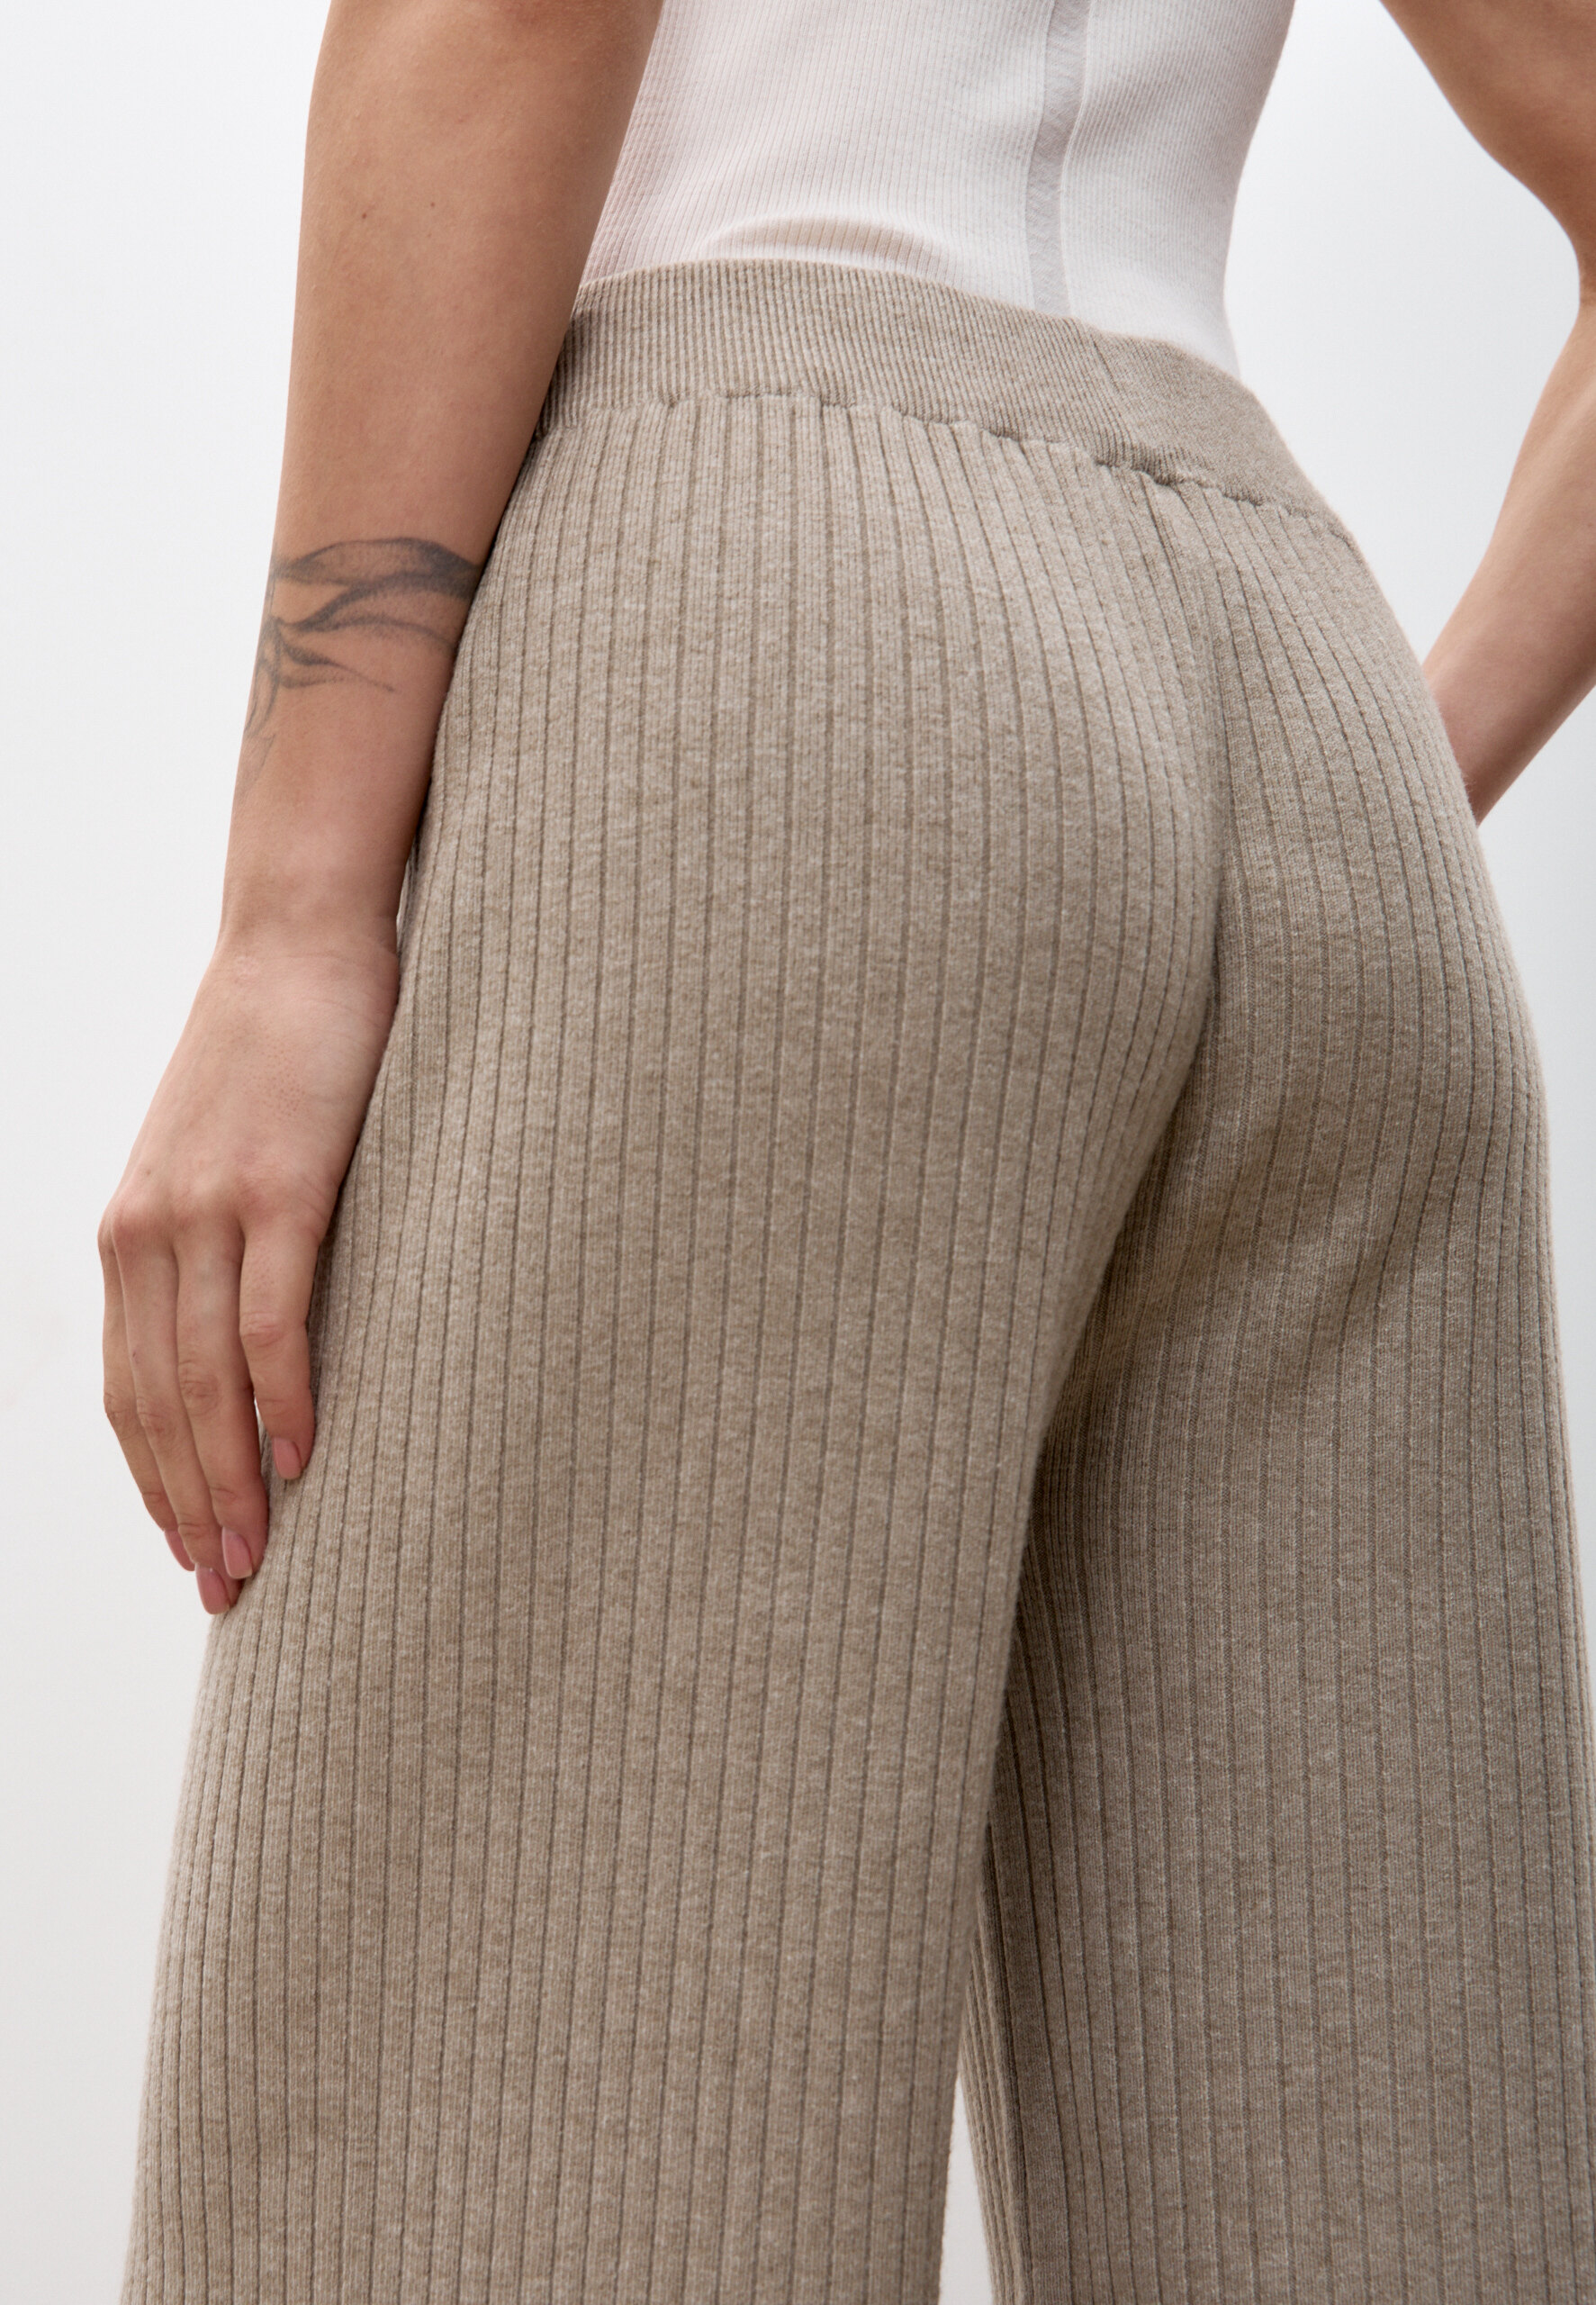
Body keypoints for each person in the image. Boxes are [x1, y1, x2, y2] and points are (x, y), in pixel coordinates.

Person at [100, 0, 1596, 2296]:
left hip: (778, 622)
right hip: (1298, 713)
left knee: (504, 2161)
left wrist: (299, 910)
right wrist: (1377, 778)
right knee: (1370, 2164)